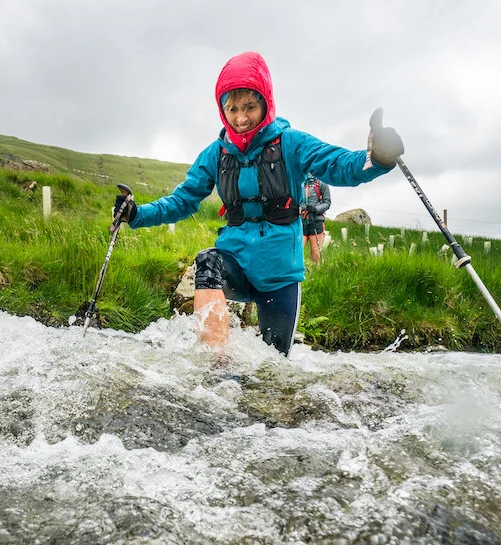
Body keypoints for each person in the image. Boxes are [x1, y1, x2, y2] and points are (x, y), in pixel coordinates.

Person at [112, 51, 403, 358]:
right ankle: (216, 369)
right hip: (235, 264)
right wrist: (137, 214)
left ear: (266, 103)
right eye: (232, 108)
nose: (240, 118)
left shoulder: (292, 142)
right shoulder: (215, 154)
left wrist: (377, 159)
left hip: (280, 275)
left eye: (250, 106)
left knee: (273, 369)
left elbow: (339, 165)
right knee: (207, 261)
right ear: (222, 110)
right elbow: (182, 200)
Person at [300, 174, 332, 263]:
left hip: (316, 222)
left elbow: (327, 202)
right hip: (301, 222)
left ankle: (318, 273)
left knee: (315, 255)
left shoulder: (322, 183)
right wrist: (302, 208)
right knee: (297, 252)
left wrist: (315, 209)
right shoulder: (299, 182)